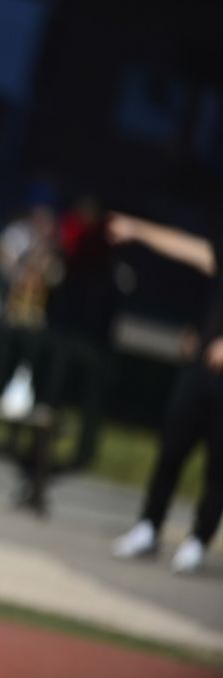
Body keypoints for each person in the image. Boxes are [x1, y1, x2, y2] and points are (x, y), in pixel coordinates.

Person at [108, 212, 223, 574]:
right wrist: (137, 230)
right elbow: (184, 245)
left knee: (218, 467)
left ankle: (198, 540)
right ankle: (149, 526)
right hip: (200, 373)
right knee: (171, 448)